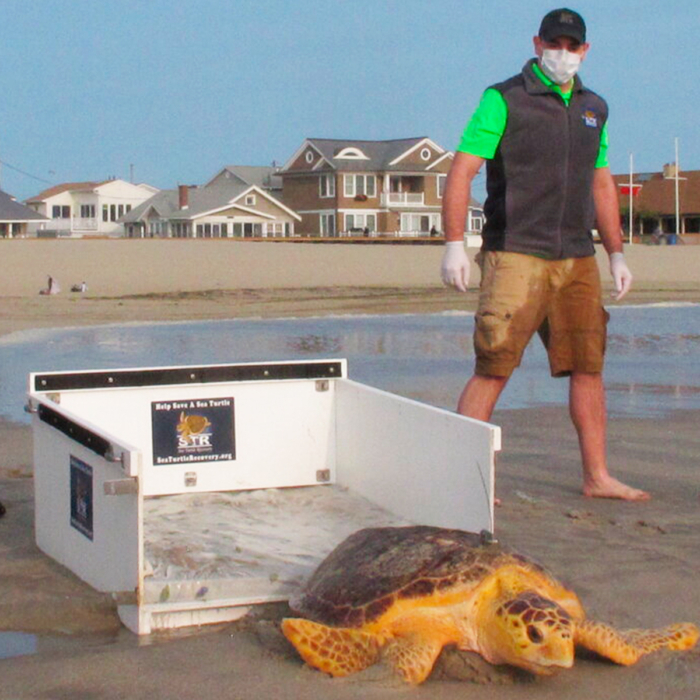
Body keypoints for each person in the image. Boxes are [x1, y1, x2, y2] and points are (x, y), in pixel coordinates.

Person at [441, 8, 649, 501]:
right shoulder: (504, 98)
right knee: (494, 364)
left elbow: (601, 180)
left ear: (585, 50)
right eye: (553, 44)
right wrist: (455, 244)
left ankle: (597, 477)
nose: (562, 53)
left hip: (577, 256)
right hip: (515, 252)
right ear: (537, 44)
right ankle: (460, 478)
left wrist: (616, 253)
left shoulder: (594, 107)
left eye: (571, 46)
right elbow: (461, 172)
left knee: (588, 366)